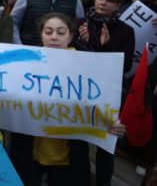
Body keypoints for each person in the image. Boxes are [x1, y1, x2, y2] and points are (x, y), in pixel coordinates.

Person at [10, 12, 125, 185]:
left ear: (71, 36)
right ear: (41, 35)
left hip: (69, 159)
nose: (54, 37)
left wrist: (111, 126)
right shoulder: (24, 66)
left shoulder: (88, 68)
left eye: (61, 32)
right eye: (48, 32)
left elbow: (97, 107)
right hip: (28, 155)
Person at [76, 0, 134, 186]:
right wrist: (84, 42)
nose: (103, 3)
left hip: (108, 93)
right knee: (79, 141)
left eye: (109, 0)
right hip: (80, 90)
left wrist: (105, 46)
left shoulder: (126, 31)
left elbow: (125, 65)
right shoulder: (80, 23)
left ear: (117, 5)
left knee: (105, 145)